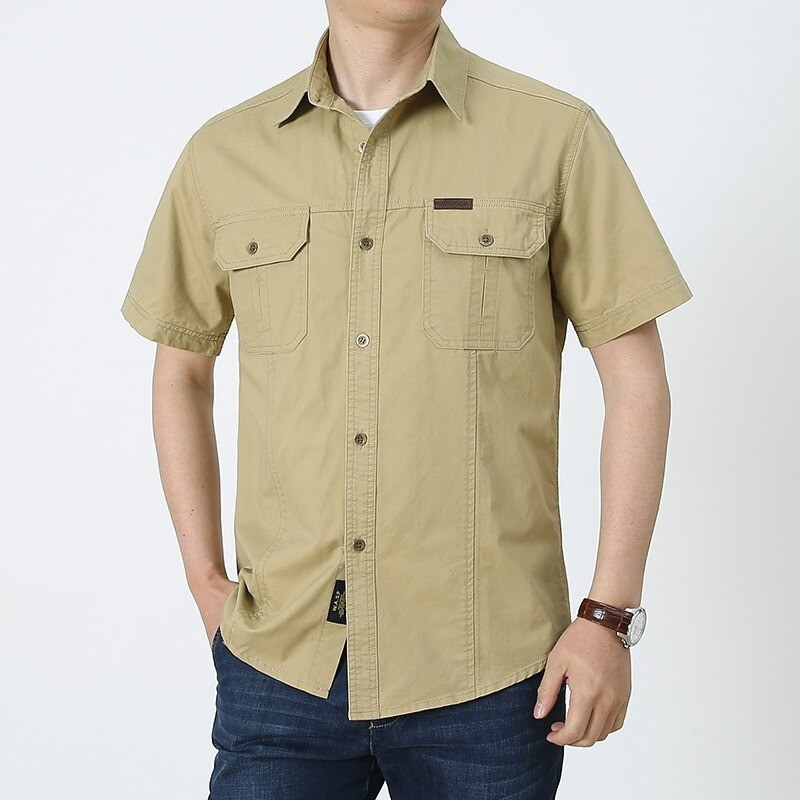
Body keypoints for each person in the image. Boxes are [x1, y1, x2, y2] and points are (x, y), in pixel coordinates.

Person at [120, 2, 692, 798]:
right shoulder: (225, 154)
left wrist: (609, 618)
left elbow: (635, 380)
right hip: (282, 664)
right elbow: (181, 371)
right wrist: (204, 581)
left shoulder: (556, 137)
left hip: (491, 675)